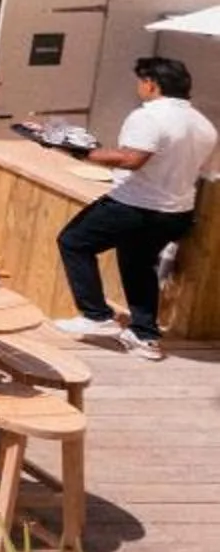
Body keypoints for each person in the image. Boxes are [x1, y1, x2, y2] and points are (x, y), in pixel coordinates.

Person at [53, 56, 215, 360]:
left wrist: (80, 152)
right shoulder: (203, 125)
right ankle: (144, 335)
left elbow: (131, 159)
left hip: (136, 206)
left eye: (140, 82)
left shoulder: (148, 116)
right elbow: (204, 170)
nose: (139, 87)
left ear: (151, 84)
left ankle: (96, 316)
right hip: (177, 213)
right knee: (139, 263)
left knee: (73, 241)